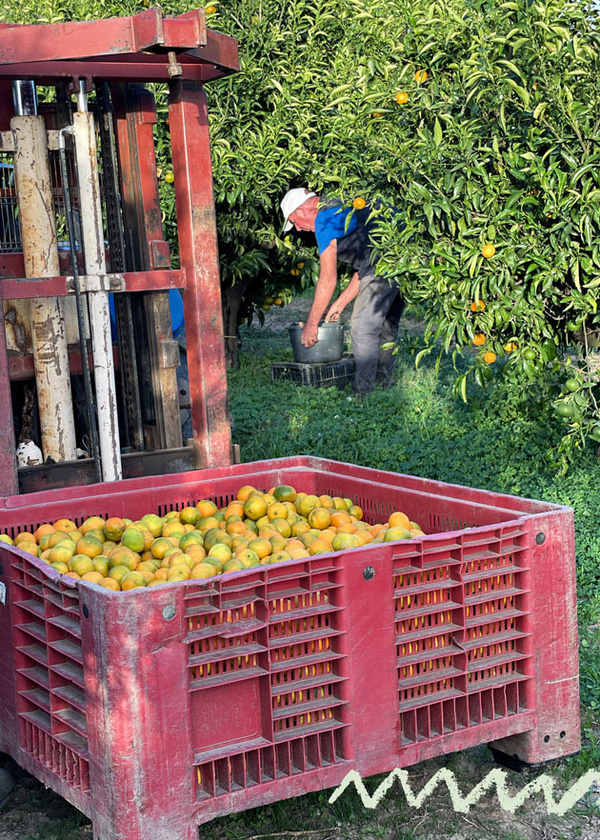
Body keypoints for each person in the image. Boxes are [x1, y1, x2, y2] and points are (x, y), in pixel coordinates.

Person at [280, 187, 404, 395]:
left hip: (387, 262)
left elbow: (328, 279)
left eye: (294, 222)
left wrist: (311, 325)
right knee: (385, 326)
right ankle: (384, 388)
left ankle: (363, 396)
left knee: (363, 327)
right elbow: (366, 267)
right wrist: (339, 304)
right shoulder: (339, 204)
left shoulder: (324, 219)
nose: (299, 229)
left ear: (302, 210)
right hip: (406, 257)